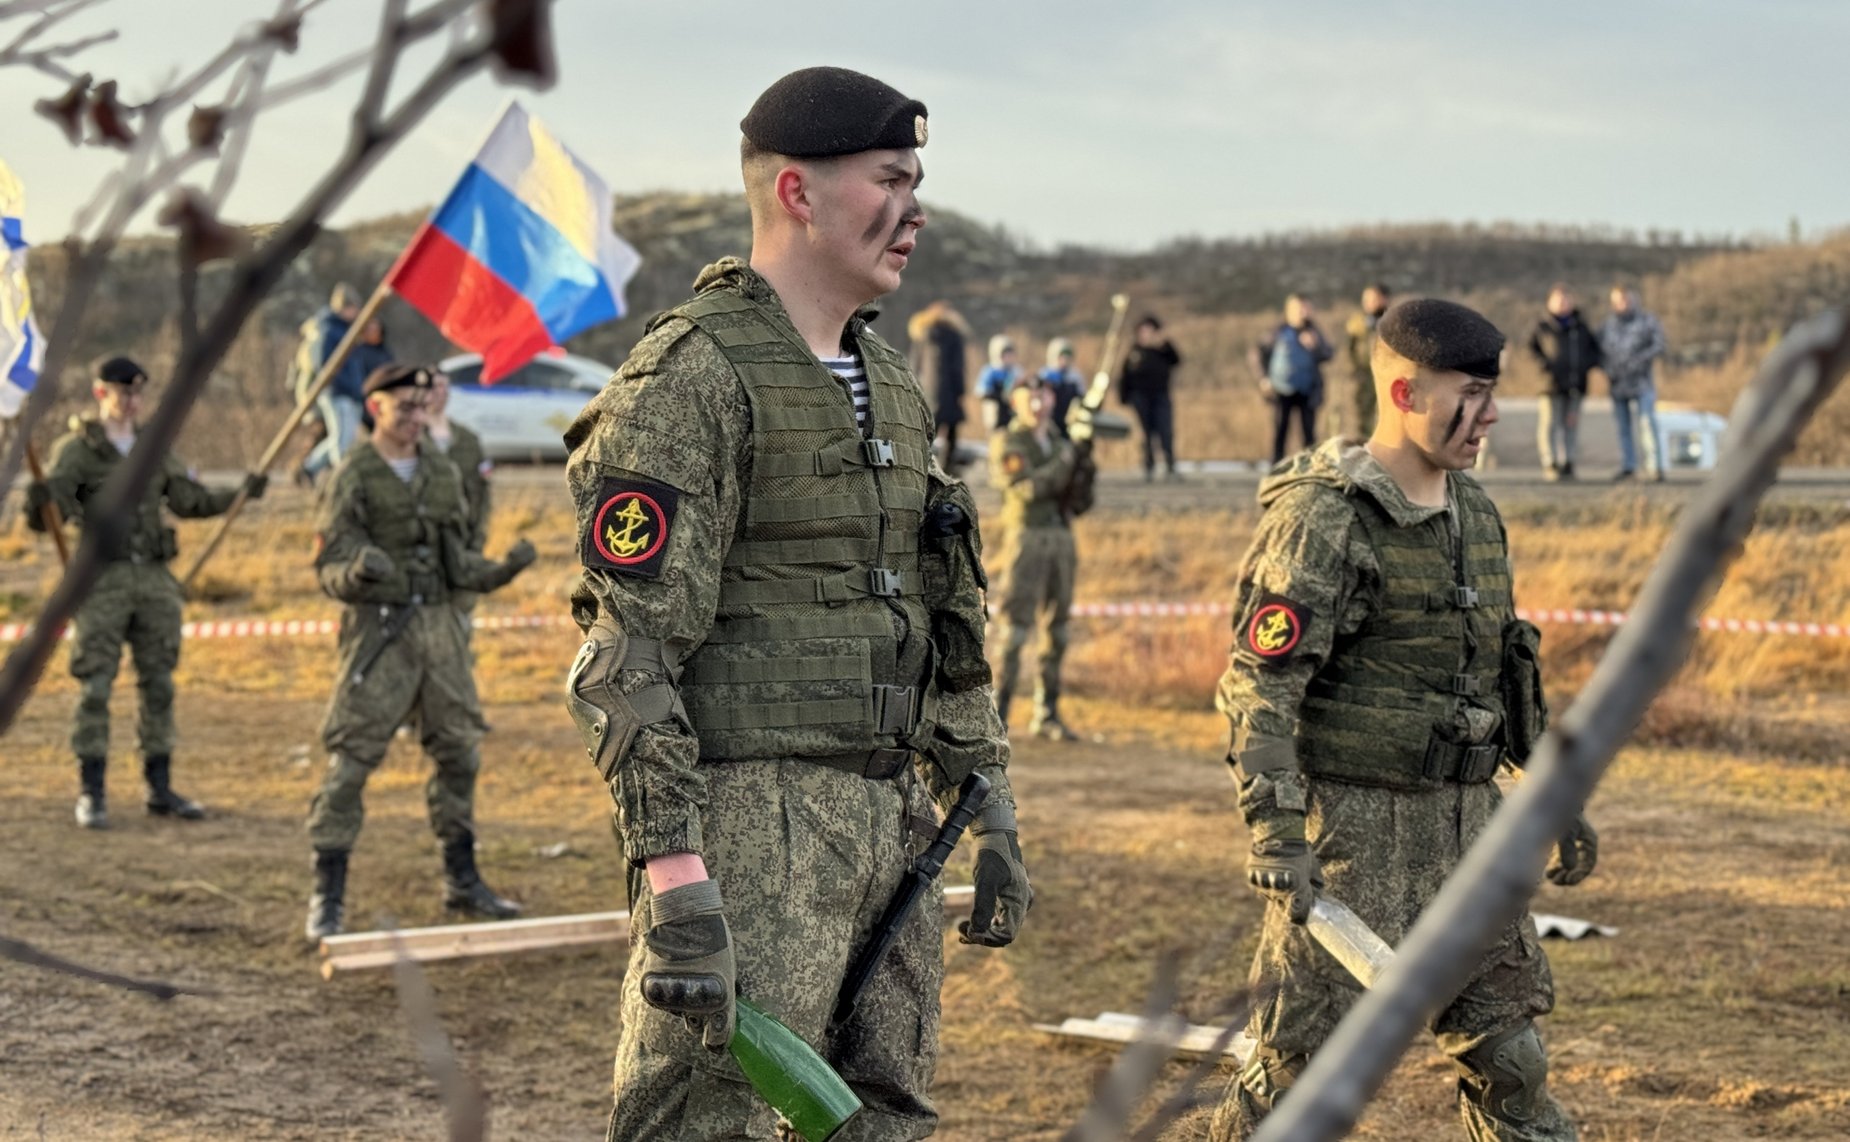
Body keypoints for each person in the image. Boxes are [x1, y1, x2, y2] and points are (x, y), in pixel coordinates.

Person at [560, 66, 1029, 1140]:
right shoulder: (691, 378)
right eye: (888, 179)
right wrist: (674, 869)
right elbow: (625, 656)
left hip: (890, 819)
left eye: (918, 181)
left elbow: (943, 622)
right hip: (750, 825)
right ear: (795, 193)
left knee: (880, 1116)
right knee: (702, 1117)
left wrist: (983, 792)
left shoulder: (893, 385)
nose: (914, 209)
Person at [1207, 299, 1595, 1142]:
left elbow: (1505, 673)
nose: (1492, 414)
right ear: (1405, 393)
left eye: (1495, 393)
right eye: (1473, 393)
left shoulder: (1477, 514)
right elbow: (1259, 689)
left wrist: (1553, 795)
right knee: (1290, 1083)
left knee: (1513, 1063)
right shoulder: (1324, 519)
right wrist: (1277, 833)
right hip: (1356, 842)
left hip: (1469, 834)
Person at [304, 363, 537, 940]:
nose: (414, 417)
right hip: (380, 635)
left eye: (419, 406)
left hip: (439, 630)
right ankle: (326, 893)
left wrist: (499, 571)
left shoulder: (438, 469)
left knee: (460, 752)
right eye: (402, 407)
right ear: (374, 407)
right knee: (352, 760)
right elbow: (327, 568)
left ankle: (462, 879)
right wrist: (357, 572)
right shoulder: (352, 474)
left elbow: (456, 560)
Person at [24, 356, 265, 828]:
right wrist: (38, 506)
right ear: (100, 393)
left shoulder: (154, 448)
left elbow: (187, 500)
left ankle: (160, 786)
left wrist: (238, 493)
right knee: (95, 685)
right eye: (121, 393)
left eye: (137, 394)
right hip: (102, 580)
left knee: (159, 683)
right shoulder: (77, 451)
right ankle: (92, 791)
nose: (130, 402)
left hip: (154, 580)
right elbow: (51, 514)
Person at [991, 375, 1093, 740]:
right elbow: (1028, 489)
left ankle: (1047, 712)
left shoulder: (1060, 443)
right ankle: (997, 715)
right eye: (1029, 398)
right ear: (1016, 403)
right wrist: (1066, 460)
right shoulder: (1010, 442)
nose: (1037, 405)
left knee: (1058, 628)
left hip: (1062, 538)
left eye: (1043, 397)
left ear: (1053, 400)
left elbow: (1082, 501)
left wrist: (1084, 459)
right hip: (1028, 538)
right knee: (1015, 630)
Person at [423, 367, 493, 621]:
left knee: (460, 618)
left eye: (444, 387)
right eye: (433, 387)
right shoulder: (409, 440)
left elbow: (482, 496)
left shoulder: (467, 441)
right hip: (421, 549)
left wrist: (477, 542)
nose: (439, 393)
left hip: (463, 545)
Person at [297, 282, 370, 485]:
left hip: (351, 393)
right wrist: (346, 385)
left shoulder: (346, 330)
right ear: (345, 307)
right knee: (342, 441)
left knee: (342, 438)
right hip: (336, 393)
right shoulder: (328, 330)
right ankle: (342, 479)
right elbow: (324, 366)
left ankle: (309, 467)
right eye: (354, 307)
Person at [1528, 284, 1602, 481]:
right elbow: (1531, 351)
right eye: (1559, 300)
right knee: (1550, 424)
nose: (1563, 304)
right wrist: (1544, 367)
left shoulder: (1580, 326)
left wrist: (1584, 366)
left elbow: (1594, 351)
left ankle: (1568, 462)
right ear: (1550, 302)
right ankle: (1550, 462)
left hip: (1575, 384)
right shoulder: (1542, 326)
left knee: (1571, 425)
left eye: (1566, 299)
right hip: (1550, 385)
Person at [1253, 295, 1333, 465]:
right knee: (1280, 429)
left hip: (1307, 390)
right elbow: (1257, 353)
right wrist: (1263, 379)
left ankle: (1311, 466)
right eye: (1299, 308)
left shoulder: (1314, 332)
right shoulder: (1279, 332)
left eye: (1306, 308)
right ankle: (1276, 465)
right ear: (1289, 310)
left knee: (1308, 432)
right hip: (1282, 390)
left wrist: (1315, 346)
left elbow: (1328, 354)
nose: (1303, 313)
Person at [1599, 285, 1668, 482]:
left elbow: (1660, 344)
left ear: (1634, 299)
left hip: (1642, 382)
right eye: (1619, 300)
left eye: (1626, 299)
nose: (1623, 303)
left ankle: (1655, 467)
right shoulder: (1607, 326)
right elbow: (1597, 351)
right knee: (1623, 427)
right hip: (1617, 384)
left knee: (1647, 422)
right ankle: (1628, 466)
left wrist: (1639, 360)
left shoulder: (1648, 321)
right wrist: (1607, 368)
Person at [907, 299, 971, 474]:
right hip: (949, 393)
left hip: (927, 393)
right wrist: (961, 391)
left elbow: (914, 365)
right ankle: (946, 470)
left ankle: (922, 469)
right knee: (951, 436)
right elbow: (958, 367)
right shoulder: (954, 334)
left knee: (927, 434)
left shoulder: (922, 334)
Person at [1117, 314, 1181, 482]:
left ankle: (1170, 465)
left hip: (1160, 396)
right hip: (1141, 398)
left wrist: (1164, 344)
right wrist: (1124, 398)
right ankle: (1148, 466)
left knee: (1165, 431)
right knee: (1146, 434)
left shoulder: (1163, 350)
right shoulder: (1134, 352)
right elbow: (1124, 377)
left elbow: (1177, 360)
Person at [1343, 283, 1390, 436]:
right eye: (1366, 299)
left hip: (1388, 376)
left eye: (1374, 298)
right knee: (1362, 417)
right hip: (1364, 376)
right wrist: (1355, 371)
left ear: (1384, 299)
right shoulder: (1357, 324)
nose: (1369, 302)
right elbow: (1349, 351)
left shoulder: (1393, 322)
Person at [1037, 337, 1086, 440]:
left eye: (1068, 357)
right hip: (1049, 422)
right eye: (1061, 357)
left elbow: (1082, 398)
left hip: (1069, 423)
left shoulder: (1075, 377)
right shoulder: (1045, 375)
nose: (1064, 361)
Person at [977, 334, 1021, 433]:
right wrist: (997, 395)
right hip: (996, 413)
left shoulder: (1015, 371)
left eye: (1011, 355)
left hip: (1012, 412)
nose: (1009, 358)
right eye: (1005, 355)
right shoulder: (990, 372)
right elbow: (981, 391)